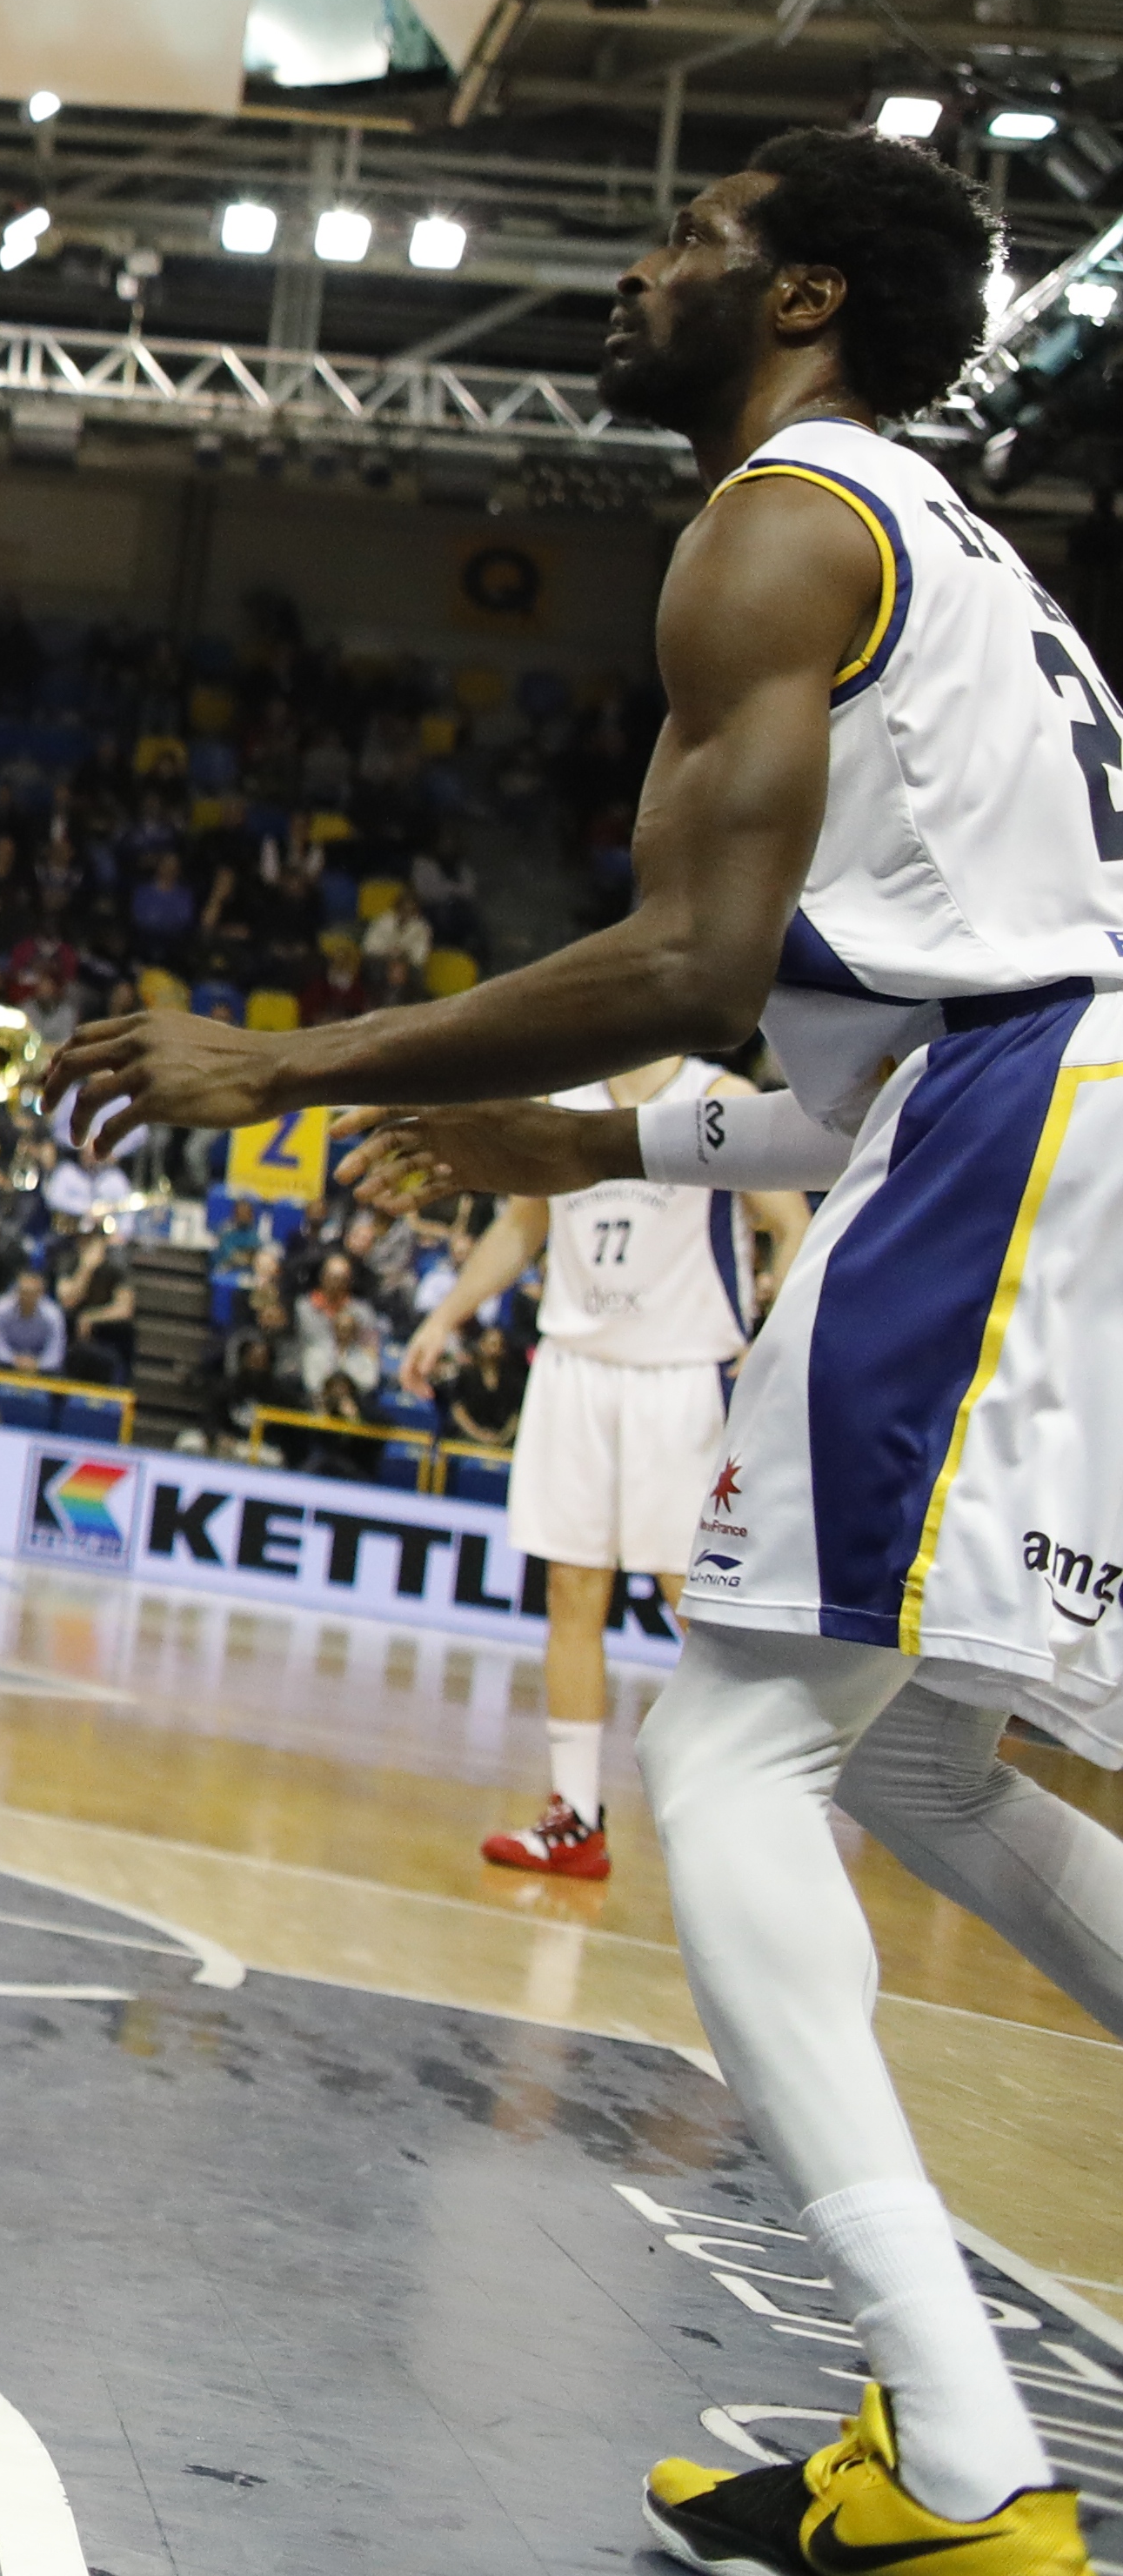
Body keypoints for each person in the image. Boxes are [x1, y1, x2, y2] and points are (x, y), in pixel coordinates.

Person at [63, 130, 1123, 2575]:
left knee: (736, 1748)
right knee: (938, 1771)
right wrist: (589, 1150)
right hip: (1035, 1108)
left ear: (804, 298)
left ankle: (970, 2476)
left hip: (1023, 1117)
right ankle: (935, 2439)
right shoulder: (941, 547)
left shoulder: (781, 526)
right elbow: (834, 1056)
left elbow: (699, 966)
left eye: (699, 239)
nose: (645, 268)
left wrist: (302, 1056)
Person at [380, 1048, 812, 1883]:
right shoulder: (562, 1097)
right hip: (575, 1367)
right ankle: (575, 1817)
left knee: (701, 1602)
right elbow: (521, 1227)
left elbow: (788, 1221)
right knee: (572, 1590)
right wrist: (448, 1317)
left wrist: (774, 1333)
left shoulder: (718, 1097)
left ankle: (775, 1805)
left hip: (681, 1373)